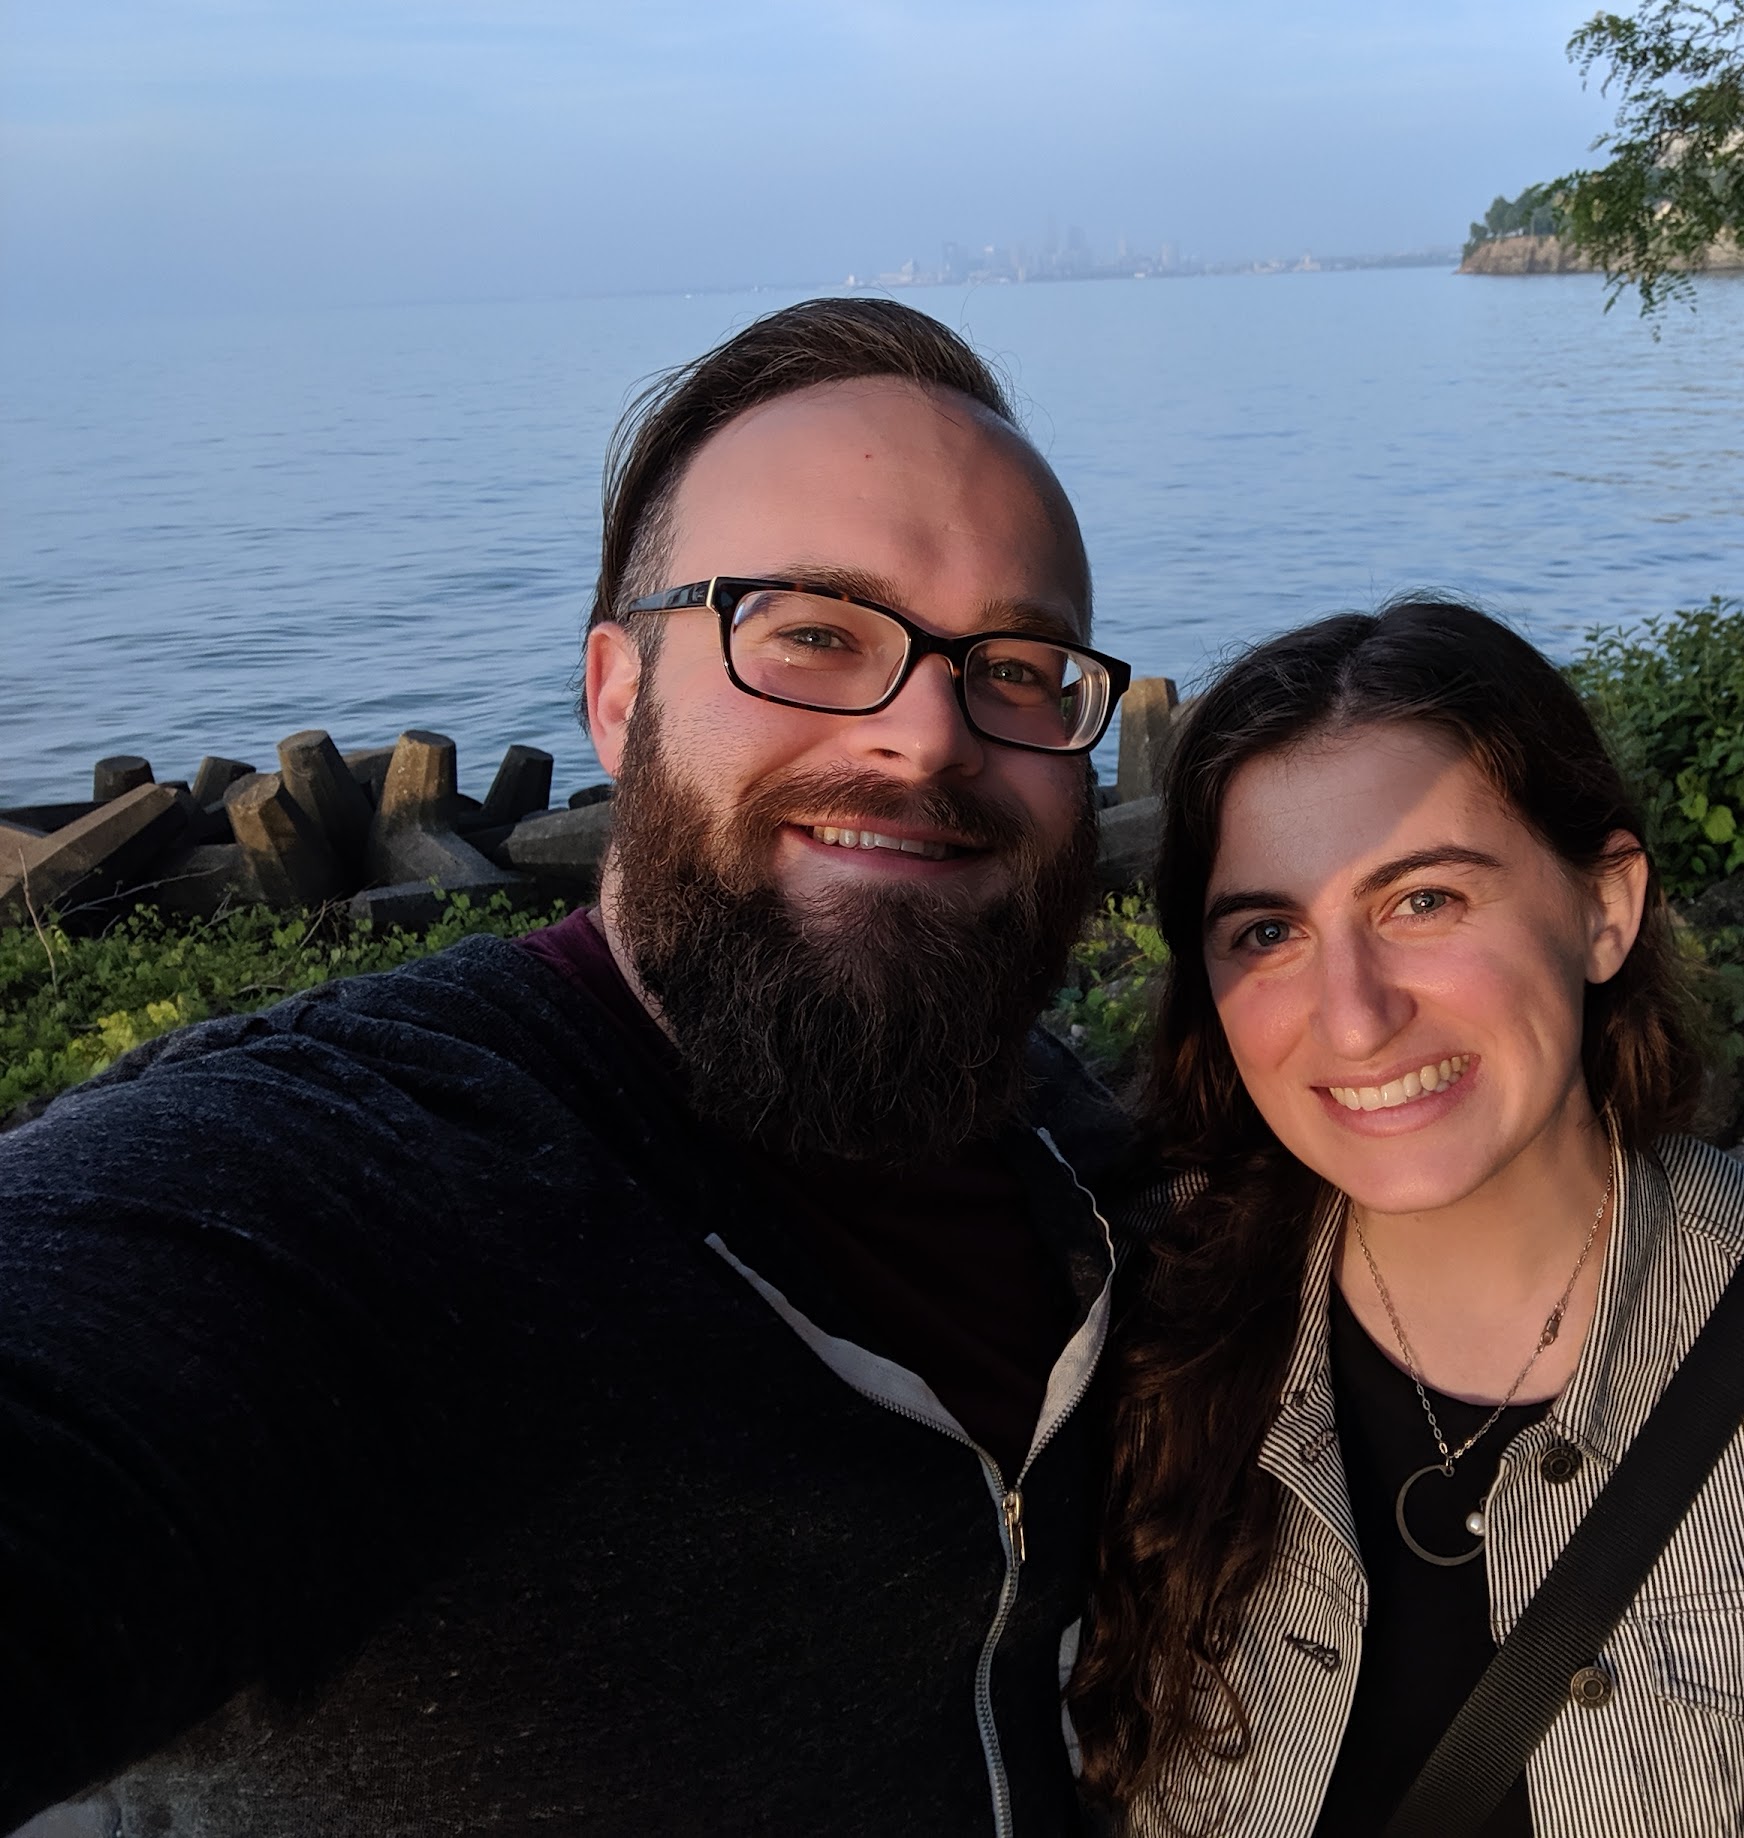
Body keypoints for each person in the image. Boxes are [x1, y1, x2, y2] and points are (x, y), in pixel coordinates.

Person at [0, 298, 1145, 1836]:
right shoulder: (363, 1176)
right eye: (812, 631)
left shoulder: (1085, 1168)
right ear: (617, 696)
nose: (925, 738)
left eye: (1015, 665)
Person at [1069, 600, 1744, 1836]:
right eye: (1270, 930)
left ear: (1606, 907)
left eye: (1425, 901)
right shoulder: (1143, 1320)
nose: (1353, 1019)